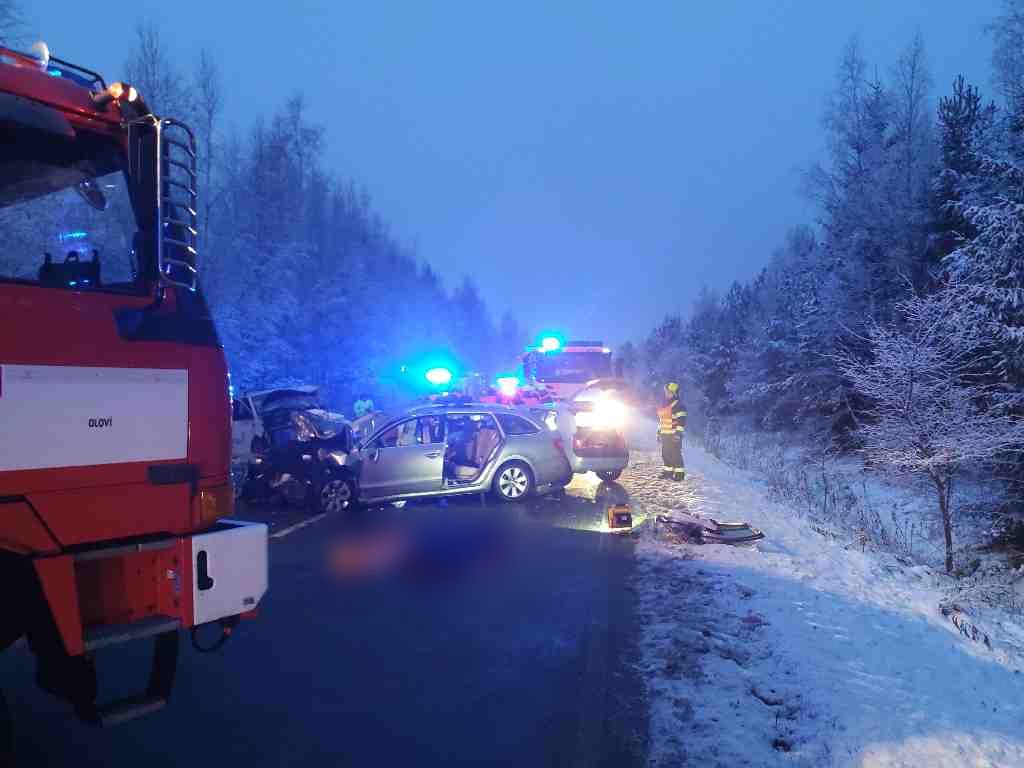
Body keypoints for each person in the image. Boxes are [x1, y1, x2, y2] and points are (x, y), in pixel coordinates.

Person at [657, 382, 687, 481]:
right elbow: (662, 421)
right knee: (665, 454)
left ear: (674, 393)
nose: (666, 393)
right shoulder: (665, 404)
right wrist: (659, 432)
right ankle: (668, 472)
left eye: (668, 392)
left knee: (675, 455)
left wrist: (678, 434)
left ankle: (679, 474)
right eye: (666, 392)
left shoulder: (679, 405)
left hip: (674, 435)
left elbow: (681, 421)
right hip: (665, 435)